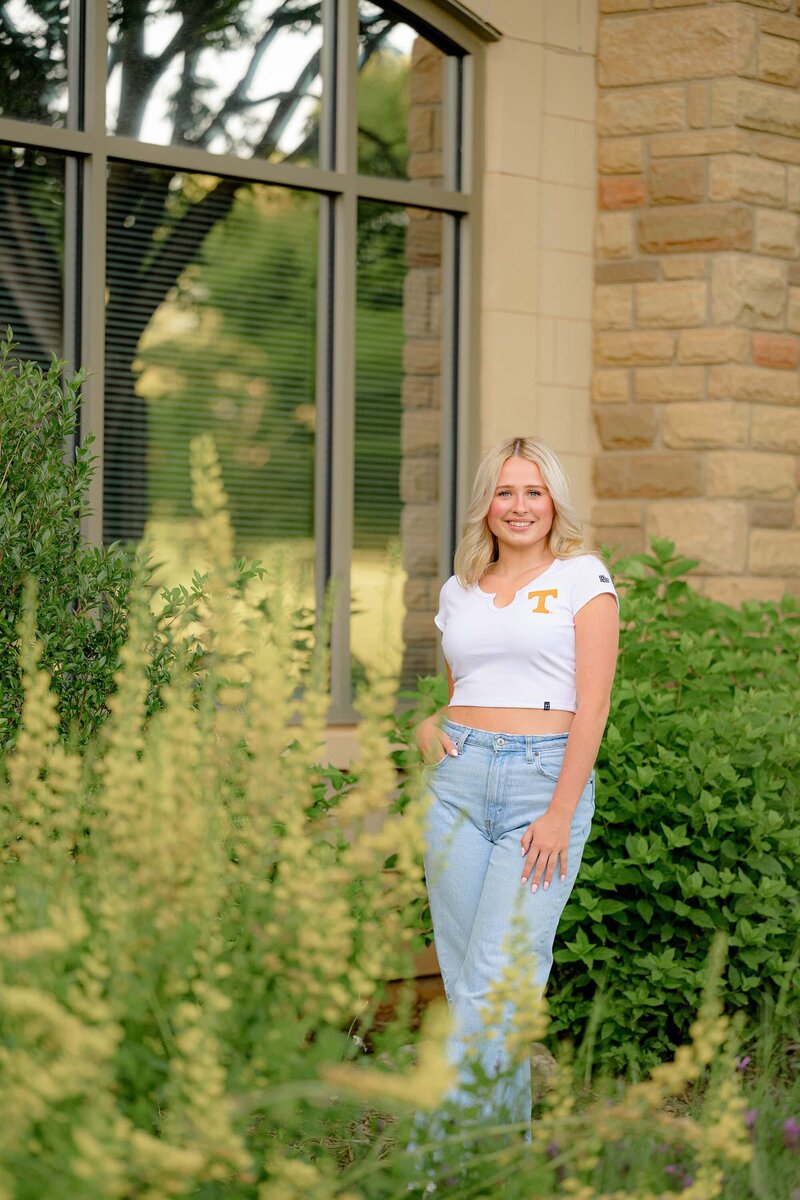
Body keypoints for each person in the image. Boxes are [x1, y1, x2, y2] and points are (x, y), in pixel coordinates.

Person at [414, 435, 620, 1136]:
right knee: (468, 976)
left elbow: (592, 705)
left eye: (534, 491)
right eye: (505, 492)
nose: (520, 505)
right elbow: (460, 691)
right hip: (456, 787)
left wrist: (562, 811)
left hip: (543, 786)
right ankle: (500, 1156)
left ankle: (443, 1157)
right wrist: (427, 724)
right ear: (487, 505)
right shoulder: (460, 589)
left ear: (554, 501)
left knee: (499, 979)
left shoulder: (583, 578)